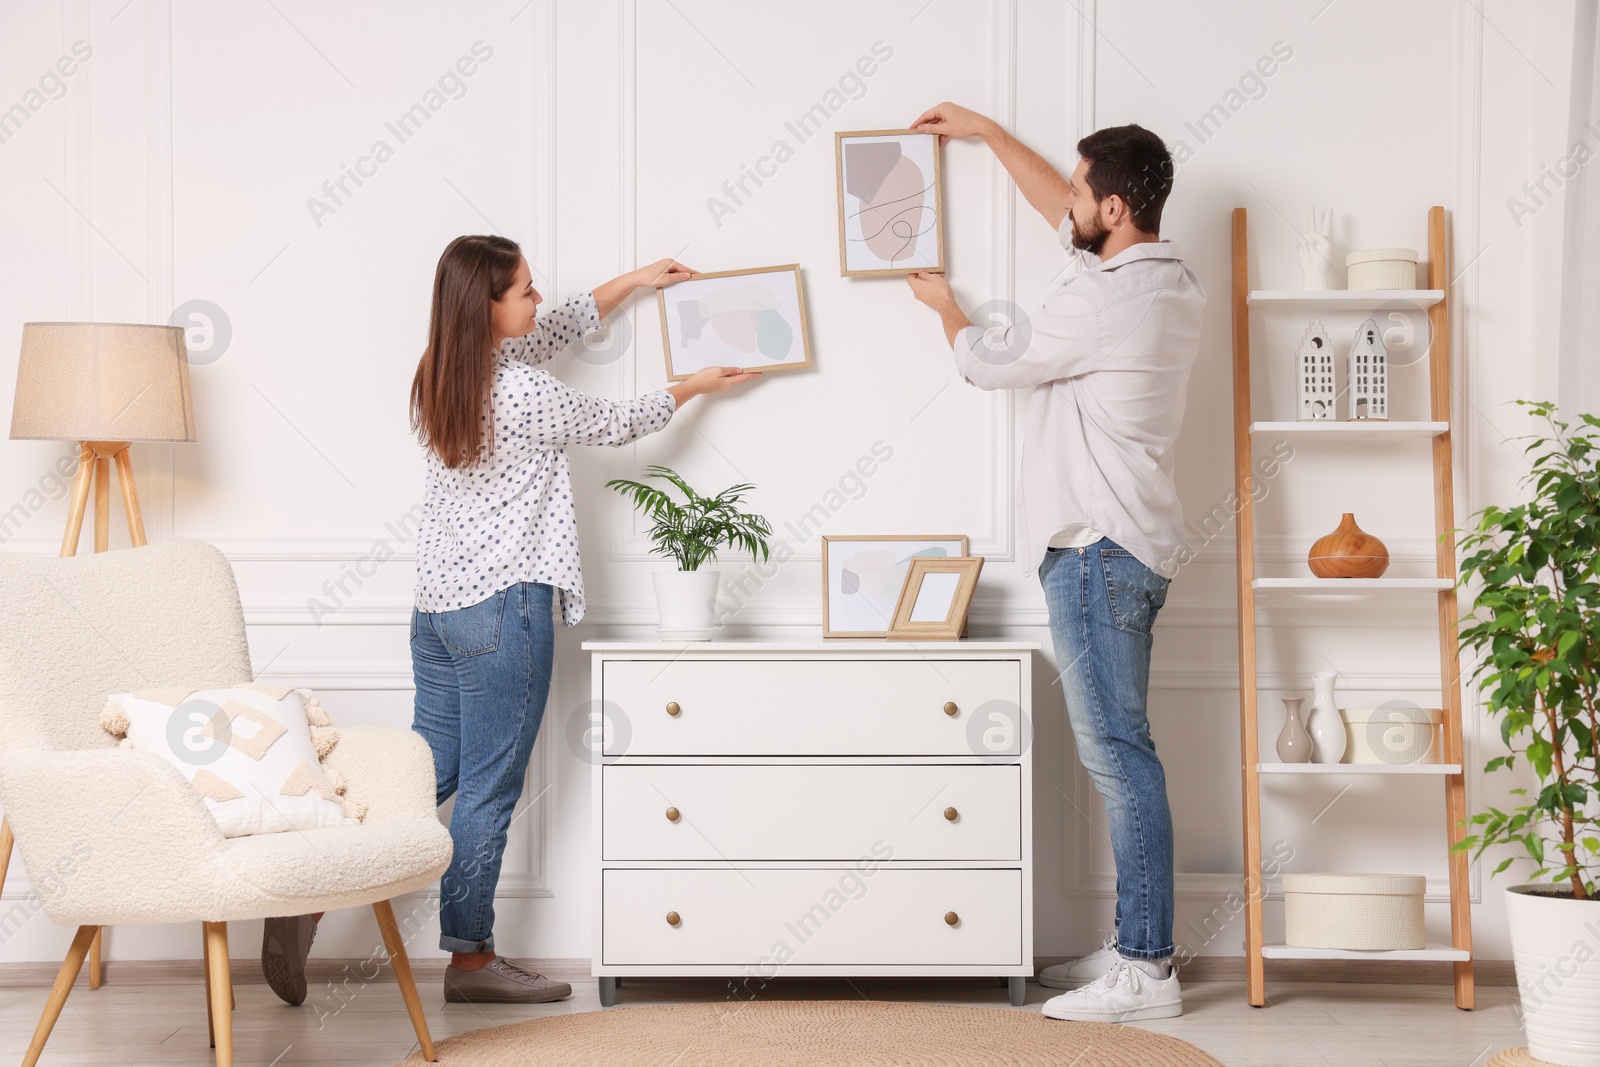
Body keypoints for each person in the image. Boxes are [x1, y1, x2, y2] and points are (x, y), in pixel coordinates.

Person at [259, 235, 758, 1007]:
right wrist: (692, 385)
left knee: (428, 772)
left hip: (438, 612)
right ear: (486, 307)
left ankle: (310, 882)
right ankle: (471, 959)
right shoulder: (523, 394)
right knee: (488, 788)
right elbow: (617, 422)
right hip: (503, 611)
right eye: (523, 289)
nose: (536, 298)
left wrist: (633, 281)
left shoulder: (439, 373)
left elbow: (551, 327)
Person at [905, 104, 1205, 1023]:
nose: (1069, 202)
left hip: (1094, 550)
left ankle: (1148, 971)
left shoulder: (1102, 303)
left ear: (1113, 208)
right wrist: (990, 136)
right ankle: (1134, 942)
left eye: (1080, 189)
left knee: (1119, 755)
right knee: (1122, 748)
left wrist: (945, 307)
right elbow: (1063, 224)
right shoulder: (1166, 280)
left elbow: (992, 364)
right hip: (1128, 545)